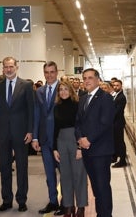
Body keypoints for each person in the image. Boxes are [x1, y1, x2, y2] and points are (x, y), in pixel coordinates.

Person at [0, 57, 34, 213]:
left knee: (22, 167)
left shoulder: (27, 85)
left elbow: (31, 110)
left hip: (21, 133)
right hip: (2, 134)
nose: (8, 69)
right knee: (5, 168)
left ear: (17, 67)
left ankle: (22, 200)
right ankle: (6, 200)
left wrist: (30, 131)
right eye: (6, 67)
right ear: (2, 68)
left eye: (11, 66)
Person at [75, 68, 116, 217]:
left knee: (103, 187)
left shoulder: (105, 98)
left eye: (90, 78)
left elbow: (105, 123)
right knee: (96, 188)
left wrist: (89, 139)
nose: (87, 80)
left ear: (98, 80)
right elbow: (78, 122)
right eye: (84, 78)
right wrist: (80, 138)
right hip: (87, 150)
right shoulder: (83, 98)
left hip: (100, 151)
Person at [53, 81, 88, 217]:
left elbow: (83, 126)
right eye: (61, 90)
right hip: (61, 141)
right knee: (65, 176)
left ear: (71, 90)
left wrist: (80, 147)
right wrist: (55, 149)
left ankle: (81, 207)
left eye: (66, 89)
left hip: (75, 140)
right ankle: (68, 206)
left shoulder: (78, 105)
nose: (63, 92)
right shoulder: (56, 107)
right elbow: (55, 128)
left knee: (79, 175)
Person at [32, 61, 60, 214]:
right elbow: (36, 115)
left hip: (60, 139)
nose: (49, 75)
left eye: (52, 72)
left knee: (65, 174)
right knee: (49, 175)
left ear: (57, 73)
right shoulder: (39, 92)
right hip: (44, 140)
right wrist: (35, 137)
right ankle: (53, 201)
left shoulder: (64, 89)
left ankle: (66, 202)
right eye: (47, 72)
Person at [111, 79, 128, 168]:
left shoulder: (121, 97)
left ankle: (122, 160)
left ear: (121, 86)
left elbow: (117, 111)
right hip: (115, 123)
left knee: (120, 142)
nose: (115, 87)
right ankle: (114, 157)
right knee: (115, 141)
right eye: (114, 85)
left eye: (117, 85)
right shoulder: (115, 95)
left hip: (118, 122)